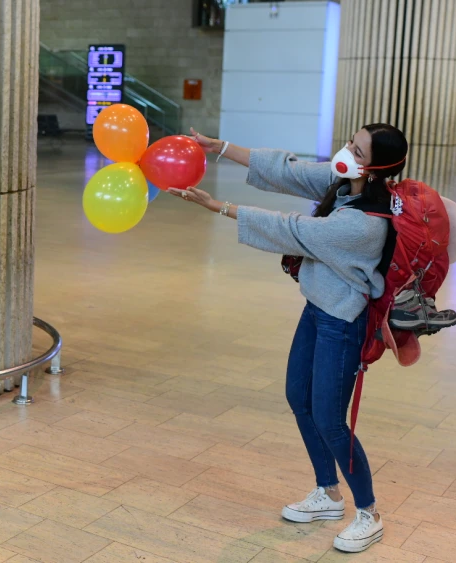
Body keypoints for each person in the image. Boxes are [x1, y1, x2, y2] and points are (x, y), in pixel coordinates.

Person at [169, 124, 408, 554]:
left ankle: (369, 513)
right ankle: (327, 493)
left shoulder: (365, 225)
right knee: (299, 398)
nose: (346, 150)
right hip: (317, 309)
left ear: (374, 168)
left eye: (357, 149)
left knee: (331, 421)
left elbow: (294, 229)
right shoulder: (345, 184)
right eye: (350, 143)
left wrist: (217, 207)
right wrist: (219, 147)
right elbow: (290, 171)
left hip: (342, 320)